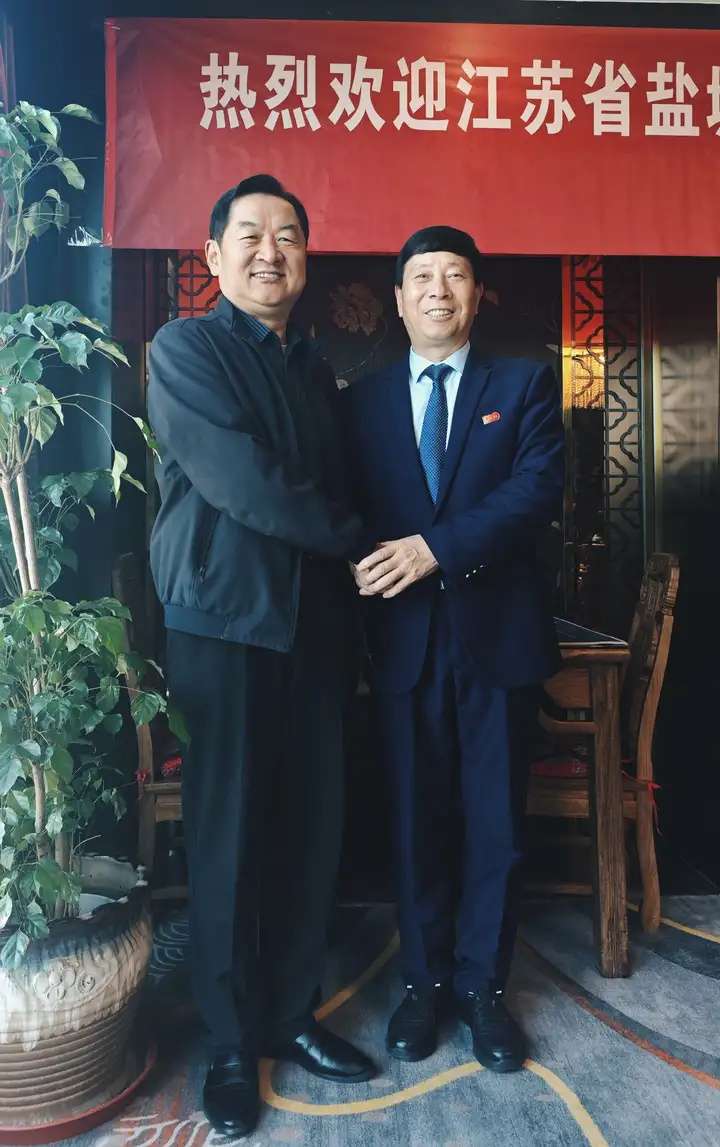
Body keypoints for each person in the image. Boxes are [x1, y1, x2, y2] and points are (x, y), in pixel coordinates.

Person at [147, 174, 376, 1139]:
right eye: (249, 234)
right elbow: (245, 482)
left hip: (312, 628)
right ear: (214, 255)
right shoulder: (184, 349)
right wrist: (359, 541)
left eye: (287, 236)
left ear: (306, 259)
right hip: (223, 621)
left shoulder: (315, 371)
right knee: (229, 835)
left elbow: (340, 477)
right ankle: (232, 1041)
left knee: (311, 827)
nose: (269, 251)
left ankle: (291, 1013)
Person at [340, 226, 565, 1073]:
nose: (438, 289)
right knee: (414, 821)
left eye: (455, 275)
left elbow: (535, 492)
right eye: (422, 277)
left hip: (497, 636)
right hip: (401, 640)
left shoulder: (524, 384)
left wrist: (435, 547)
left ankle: (483, 987)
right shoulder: (358, 402)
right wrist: (356, 564)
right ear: (398, 300)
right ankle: (424, 981)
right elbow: (345, 506)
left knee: (496, 824)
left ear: (477, 295)